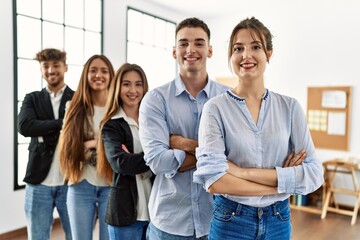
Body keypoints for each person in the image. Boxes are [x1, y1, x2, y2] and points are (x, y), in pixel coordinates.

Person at [193, 17, 324, 240]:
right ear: (231, 56)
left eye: (255, 47)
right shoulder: (214, 109)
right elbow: (214, 181)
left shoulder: (289, 107)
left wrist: (242, 172)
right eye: (238, 48)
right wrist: (283, 184)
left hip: (278, 220)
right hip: (230, 221)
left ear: (268, 54)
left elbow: (313, 174)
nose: (246, 55)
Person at [139, 17, 229, 239]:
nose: (191, 49)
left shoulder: (228, 98)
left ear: (210, 50)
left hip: (219, 220)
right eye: (184, 43)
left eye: (199, 43)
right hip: (169, 224)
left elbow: (238, 155)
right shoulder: (155, 100)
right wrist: (214, 155)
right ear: (174, 51)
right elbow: (158, 162)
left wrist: (180, 143)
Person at [17, 48, 74, 240]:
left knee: (77, 235)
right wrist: (61, 124)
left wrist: (42, 129)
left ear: (65, 67)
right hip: (38, 182)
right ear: (41, 69)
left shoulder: (77, 98)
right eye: (46, 66)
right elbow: (25, 126)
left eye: (56, 65)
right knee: (37, 236)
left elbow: (82, 131)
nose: (51, 70)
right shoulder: (32, 98)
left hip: (71, 181)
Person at [58, 54, 115, 240]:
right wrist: (99, 142)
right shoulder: (73, 107)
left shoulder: (117, 108)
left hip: (111, 185)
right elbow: (68, 147)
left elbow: (120, 147)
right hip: (80, 184)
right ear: (86, 75)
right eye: (93, 70)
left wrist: (90, 143)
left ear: (111, 76)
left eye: (104, 71)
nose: (99, 75)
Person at [97, 63, 152, 240]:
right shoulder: (111, 125)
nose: (133, 90)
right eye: (126, 84)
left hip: (156, 209)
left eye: (138, 84)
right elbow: (121, 163)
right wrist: (157, 157)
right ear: (117, 87)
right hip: (125, 213)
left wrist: (134, 159)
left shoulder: (154, 120)